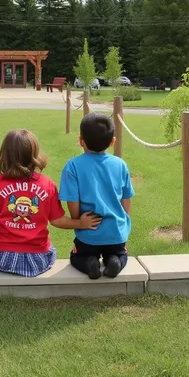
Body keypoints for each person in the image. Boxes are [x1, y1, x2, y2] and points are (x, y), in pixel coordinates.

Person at [0, 129, 102, 277]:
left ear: (5, 155)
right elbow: (57, 220)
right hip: (37, 259)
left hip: (2, 257)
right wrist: (81, 223)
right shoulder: (47, 185)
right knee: (49, 247)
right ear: (34, 155)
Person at [59, 113, 134, 280]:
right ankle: (115, 261)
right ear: (112, 141)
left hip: (89, 232)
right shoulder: (120, 164)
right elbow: (126, 198)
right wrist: (124, 219)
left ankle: (89, 263)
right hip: (115, 232)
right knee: (120, 254)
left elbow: (72, 200)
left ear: (81, 141)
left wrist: (79, 221)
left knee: (77, 256)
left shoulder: (72, 166)